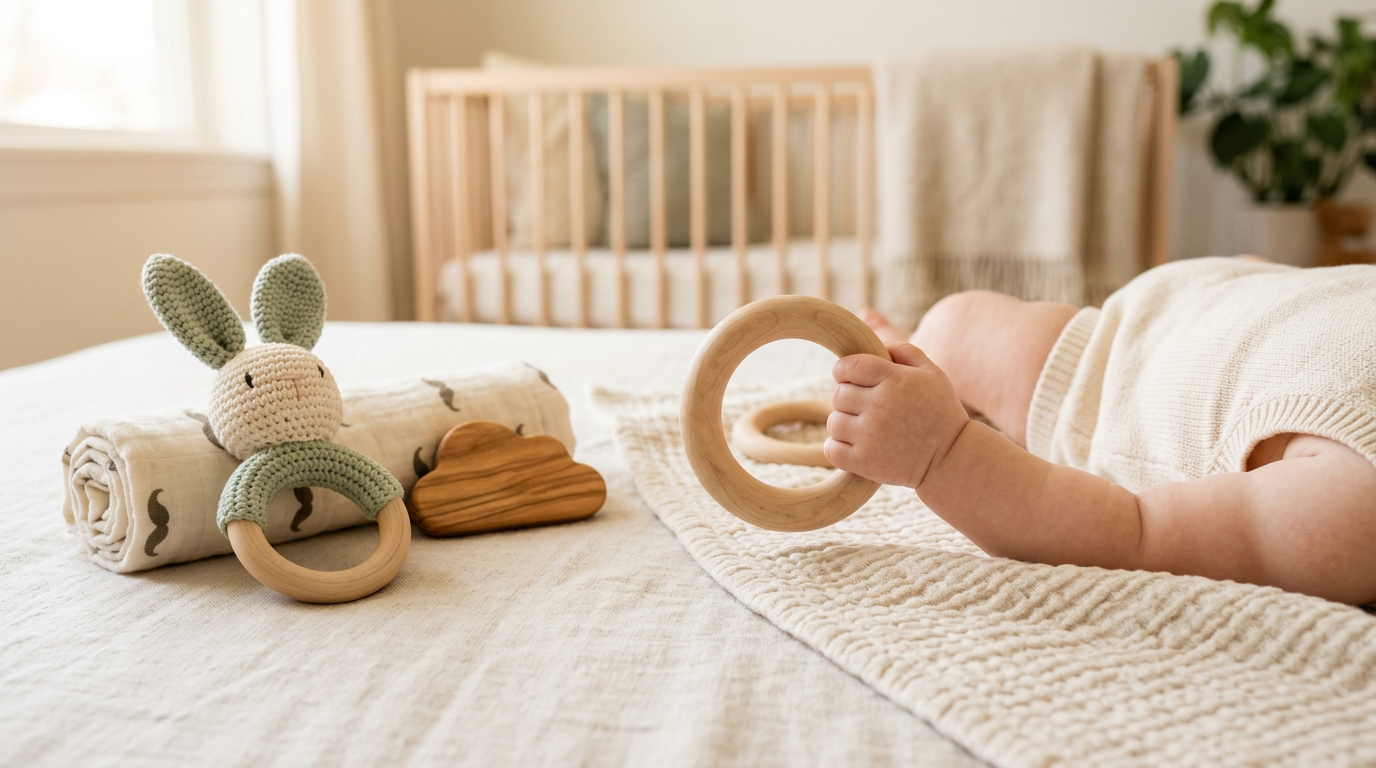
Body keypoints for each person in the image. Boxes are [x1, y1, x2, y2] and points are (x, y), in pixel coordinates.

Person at [826, 255, 1376, 605]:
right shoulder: (1353, 505)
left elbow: (1136, 533)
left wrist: (943, 453)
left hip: (1143, 350)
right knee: (955, 328)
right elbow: (1135, 534)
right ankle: (921, 342)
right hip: (1210, 312)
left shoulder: (1348, 506)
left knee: (958, 325)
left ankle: (918, 344)